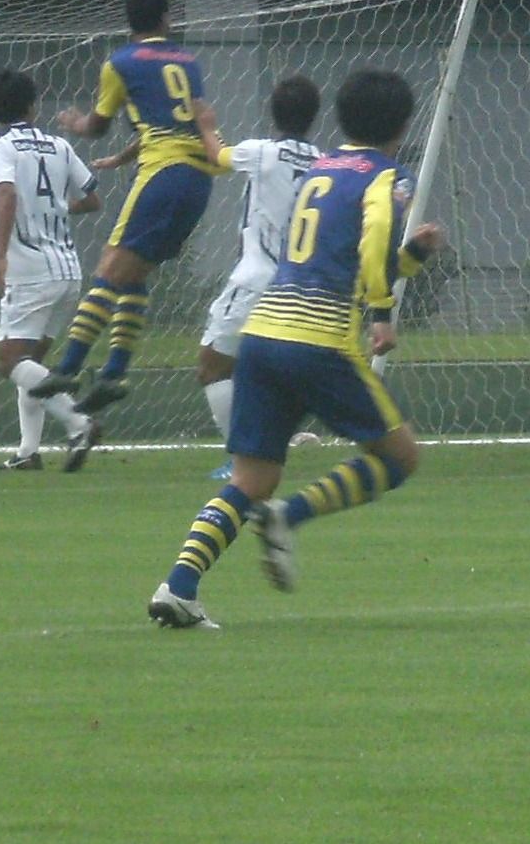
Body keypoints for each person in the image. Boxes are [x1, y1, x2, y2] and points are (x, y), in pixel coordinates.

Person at [149, 68, 445, 630]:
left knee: (250, 478)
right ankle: (289, 516)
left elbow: (338, 258)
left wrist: (413, 259)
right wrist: (383, 313)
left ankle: (179, 586)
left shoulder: (320, 169)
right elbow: (377, 234)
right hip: (320, 340)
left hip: (264, 333)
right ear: (404, 126)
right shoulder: (388, 176)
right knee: (401, 456)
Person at [36, 0, 227, 415]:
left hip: (162, 174)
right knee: (134, 275)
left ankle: (67, 366)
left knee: (109, 267)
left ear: (129, 21)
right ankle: (115, 372)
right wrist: (124, 158)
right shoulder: (187, 61)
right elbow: (174, 123)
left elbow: (100, 125)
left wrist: (76, 123)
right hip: (197, 179)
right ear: (166, 18)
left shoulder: (119, 63)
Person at [0, 67, 103, 473]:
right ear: (32, 106)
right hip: (67, 269)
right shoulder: (58, 146)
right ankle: (28, 452)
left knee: (11, 362)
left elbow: (7, 192)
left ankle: (80, 422)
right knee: (32, 365)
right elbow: (92, 199)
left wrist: (0, 257)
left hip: (29, 269)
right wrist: (59, 209)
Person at [198, 73, 324, 459]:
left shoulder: (261, 152)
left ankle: (242, 454)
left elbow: (217, 157)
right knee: (267, 369)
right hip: (302, 285)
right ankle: (276, 438)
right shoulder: (325, 162)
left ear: (273, 115)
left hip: (256, 278)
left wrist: (206, 126)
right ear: (314, 116)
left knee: (212, 367)